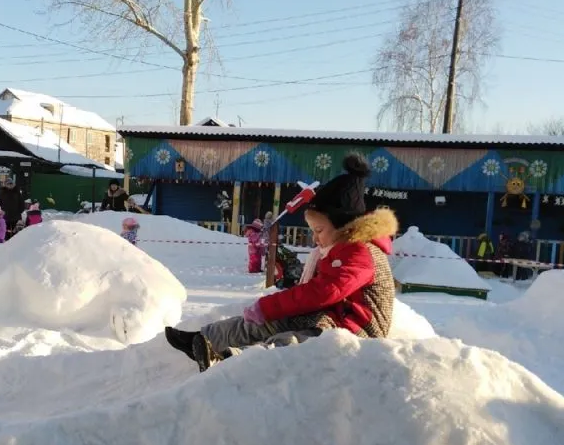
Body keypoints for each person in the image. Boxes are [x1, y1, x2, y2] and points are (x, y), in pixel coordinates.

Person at [165, 153, 398, 372]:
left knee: (288, 342)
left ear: (342, 226)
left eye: (319, 230)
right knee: (267, 322)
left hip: (357, 332)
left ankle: (234, 362)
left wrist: (270, 306)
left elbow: (323, 292)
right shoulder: (341, 249)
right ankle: (205, 340)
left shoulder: (360, 252)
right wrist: (270, 311)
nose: (315, 237)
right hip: (330, 318)